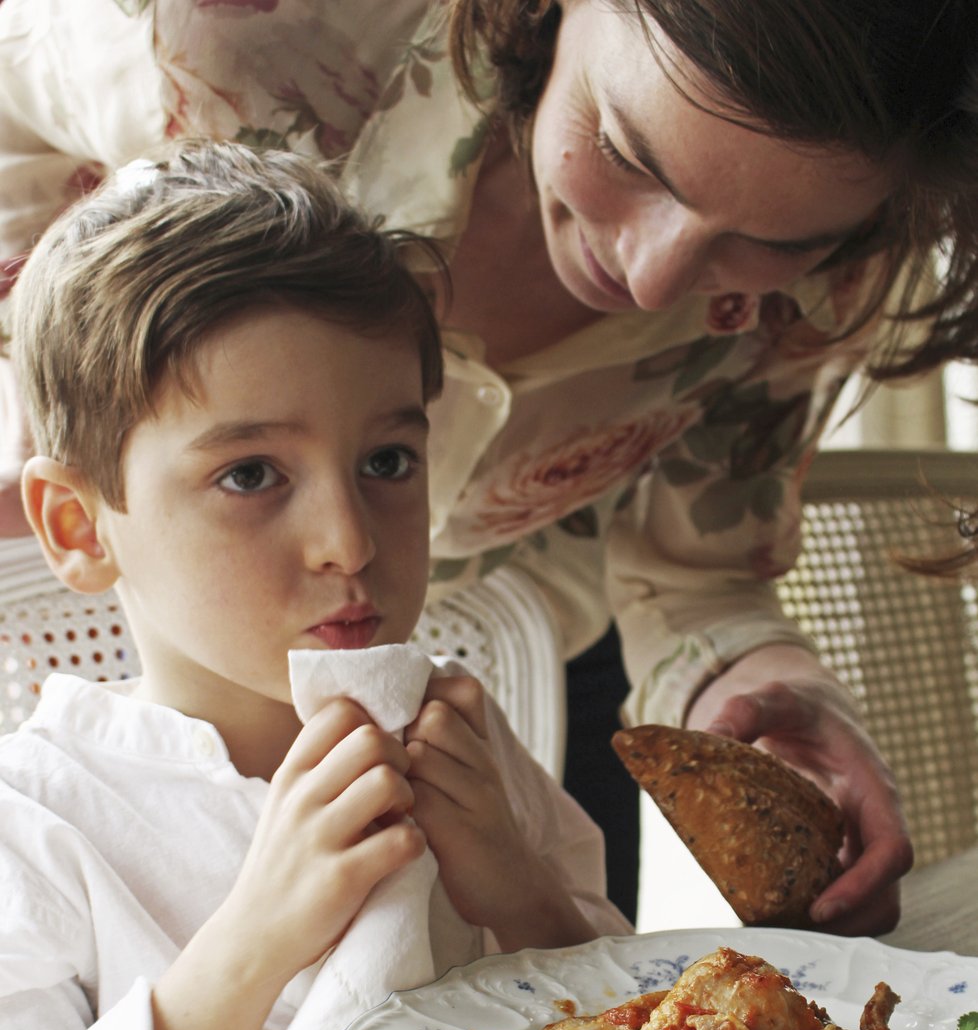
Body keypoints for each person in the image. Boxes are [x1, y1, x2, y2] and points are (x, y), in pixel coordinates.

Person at [2, 2, 977, 932]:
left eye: (770, 241)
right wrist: (82, 375)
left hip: (521, 660)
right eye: (628, 155)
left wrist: (768, 699)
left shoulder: (822, 289)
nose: (652, 276)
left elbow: (698, 569)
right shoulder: (235, 38)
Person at [0, 139, 631, 1030]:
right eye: (250, 476)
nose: (349, 541)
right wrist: (253, 940)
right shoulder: (39, 828)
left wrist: (518, 893)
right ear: (78, 527)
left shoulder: (468, 752)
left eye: (387, 461)